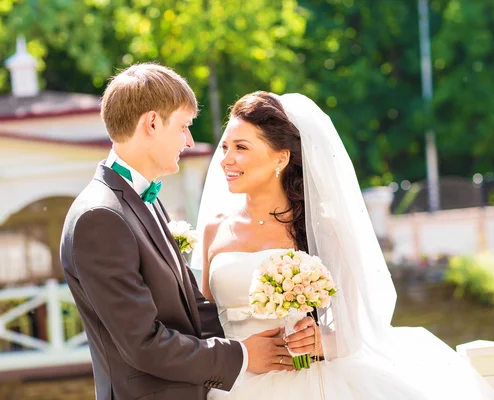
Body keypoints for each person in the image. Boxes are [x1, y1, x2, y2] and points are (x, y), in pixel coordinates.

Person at [192, 91, 494, 399]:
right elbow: (203, 325)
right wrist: (240, 355)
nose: (226, 160)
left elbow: (357, 329)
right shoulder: (213, 228)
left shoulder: (322, 227)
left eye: (241, 148)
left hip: (310, 381)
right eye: (226, 147)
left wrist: (321, 342)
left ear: (281, 157)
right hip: (236, 385)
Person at [60, 64, 317, 400]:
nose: (189, 140)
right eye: (183, 127)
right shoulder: (100, 216)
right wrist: (243, 355)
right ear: (152, 123)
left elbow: (192, 307)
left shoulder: (144, 199)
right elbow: (143, 344)